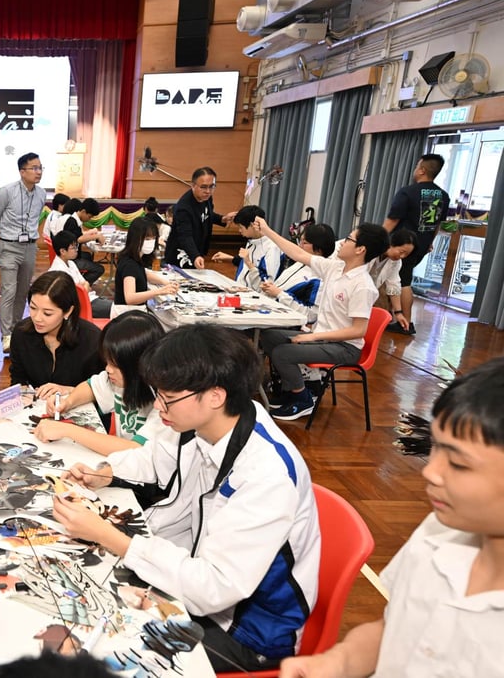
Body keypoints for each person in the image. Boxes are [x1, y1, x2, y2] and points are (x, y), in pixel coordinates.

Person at [54, 324, 320, 673]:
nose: (159, 406)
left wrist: (109, 537)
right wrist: (103, 472)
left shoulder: (266, 475)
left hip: (247, 632)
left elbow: (214, 588)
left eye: (168, 397)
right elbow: (155, 460)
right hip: (194, 585)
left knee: (96, 655)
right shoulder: (205, 422)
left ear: (215, 395)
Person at [279, 355, 504, 677]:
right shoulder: (438, 530)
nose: (431, 472)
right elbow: (392, 629)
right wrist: (340, 661)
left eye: (459, 464)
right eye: (436, 448)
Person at [257, 219, 389, 420]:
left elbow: (358, 331)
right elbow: (298, 253)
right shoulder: (335, 268)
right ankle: (290, 391)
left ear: (360, 249)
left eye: (348, 239)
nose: (342, 243)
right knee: (269, 336)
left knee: (283, 353)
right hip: (323, 338)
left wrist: (310, 338)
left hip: (345, 348)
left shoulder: (362, 286)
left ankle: (302, 399)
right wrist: (267, 230)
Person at [35, 311, 166, 455]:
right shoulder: (120, 379)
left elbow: (136, 450)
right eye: (107, 361)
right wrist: (68, 403)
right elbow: (91, 387)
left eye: (116, 365)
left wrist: (67, 430)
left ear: (140, 365)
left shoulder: (165, 401)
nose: (108, 369)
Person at [382, 153, 450, 336]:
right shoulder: (444, 196)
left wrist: (377, 239)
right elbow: (437, 225)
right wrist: (429, 243)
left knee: (402, 281)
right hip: (422, 245)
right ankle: (393, 317)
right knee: (402, 278)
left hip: (403, 244)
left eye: (417, 166)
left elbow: (392, 221)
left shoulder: (408, 192)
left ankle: (405, 323)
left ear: (422, 170)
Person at [9, 271, 104, 397]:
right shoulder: (22, 333)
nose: (37, 318)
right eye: (32, 308)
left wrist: (70, 391)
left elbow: (103, 390)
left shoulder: (92, 339)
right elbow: (18, 379)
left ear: (68, 311)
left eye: (47, 313)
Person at [0, 152, 47, 353]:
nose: (38, 172)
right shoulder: (7, 191)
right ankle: (6, 335)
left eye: (40, 168)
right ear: (22, 171)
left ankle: (16, 330)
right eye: (34, 168)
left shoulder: (41, 194)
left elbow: (36, 219)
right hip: (8, 246)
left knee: (23, 291)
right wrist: (3, 241)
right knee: (9, 291)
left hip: (29, 247)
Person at [259, 223, 336, 323]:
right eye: (300, 241)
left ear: (319, 249)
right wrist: (270, 287)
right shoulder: (299, 264)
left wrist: (279, 294)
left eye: (304, 242)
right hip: (271, 311)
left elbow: (311, 316)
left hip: (287, 323)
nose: (299, 245)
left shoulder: (320, 278)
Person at [164, 167, 236, 269]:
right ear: (193, 185)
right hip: (180, 253)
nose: (208, 191)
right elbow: (185, 236)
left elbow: (207, 214)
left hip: (197, 247)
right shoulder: (184, 208)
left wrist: (222, 219)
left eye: (212, 187)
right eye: (203, 187)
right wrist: (195, 256)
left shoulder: (206, 197)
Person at [112, 217, 179, 317]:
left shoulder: (135, 258)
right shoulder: (129, 264)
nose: (151, 242)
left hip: (132, 312)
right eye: (147, 239)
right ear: (135, 239)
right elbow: (130, 298)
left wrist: (166, 282)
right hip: (126, 316)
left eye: (153, 238)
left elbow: (142, 273)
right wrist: (159, 291)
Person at [211, 205, 282, 290]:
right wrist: (229, 258)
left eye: (241, 227)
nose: (239, 230)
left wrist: (248, 262)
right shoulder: (252, 240)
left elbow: (267, 285)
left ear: (252, 225)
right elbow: (247, 264)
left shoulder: (272, 248)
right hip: (240, 290)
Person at [49, 230, 111, 318]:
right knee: (118, 310)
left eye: (76, 246)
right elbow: (73, 296)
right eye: (73, 248)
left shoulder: (71, 263)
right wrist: (83, 288)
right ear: (62, 251)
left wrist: (83, 288)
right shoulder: (58, 271)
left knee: (118, 305)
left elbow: (85, 284)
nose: (76, 250)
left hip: (90, 298)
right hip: (84, 305)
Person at [368, 228, 417, 333]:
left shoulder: (395, 262)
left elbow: (393, 285)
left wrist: (398, 313)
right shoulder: (371, 249)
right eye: (401, 252)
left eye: (406, 255)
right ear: (391, 243)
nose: (402, 256)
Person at [58, 197, 105, 285]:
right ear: (83, 211)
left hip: (73, 255)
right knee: (99, 269)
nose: (89, 219)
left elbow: (80, 235)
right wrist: (96, 236)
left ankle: (80, 280)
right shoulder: (72, 221)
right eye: (89, 216)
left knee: (87, 256)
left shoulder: (75, 220)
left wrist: (93, 234)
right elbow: (78, 239)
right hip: (71, 258)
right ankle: (78, 284)